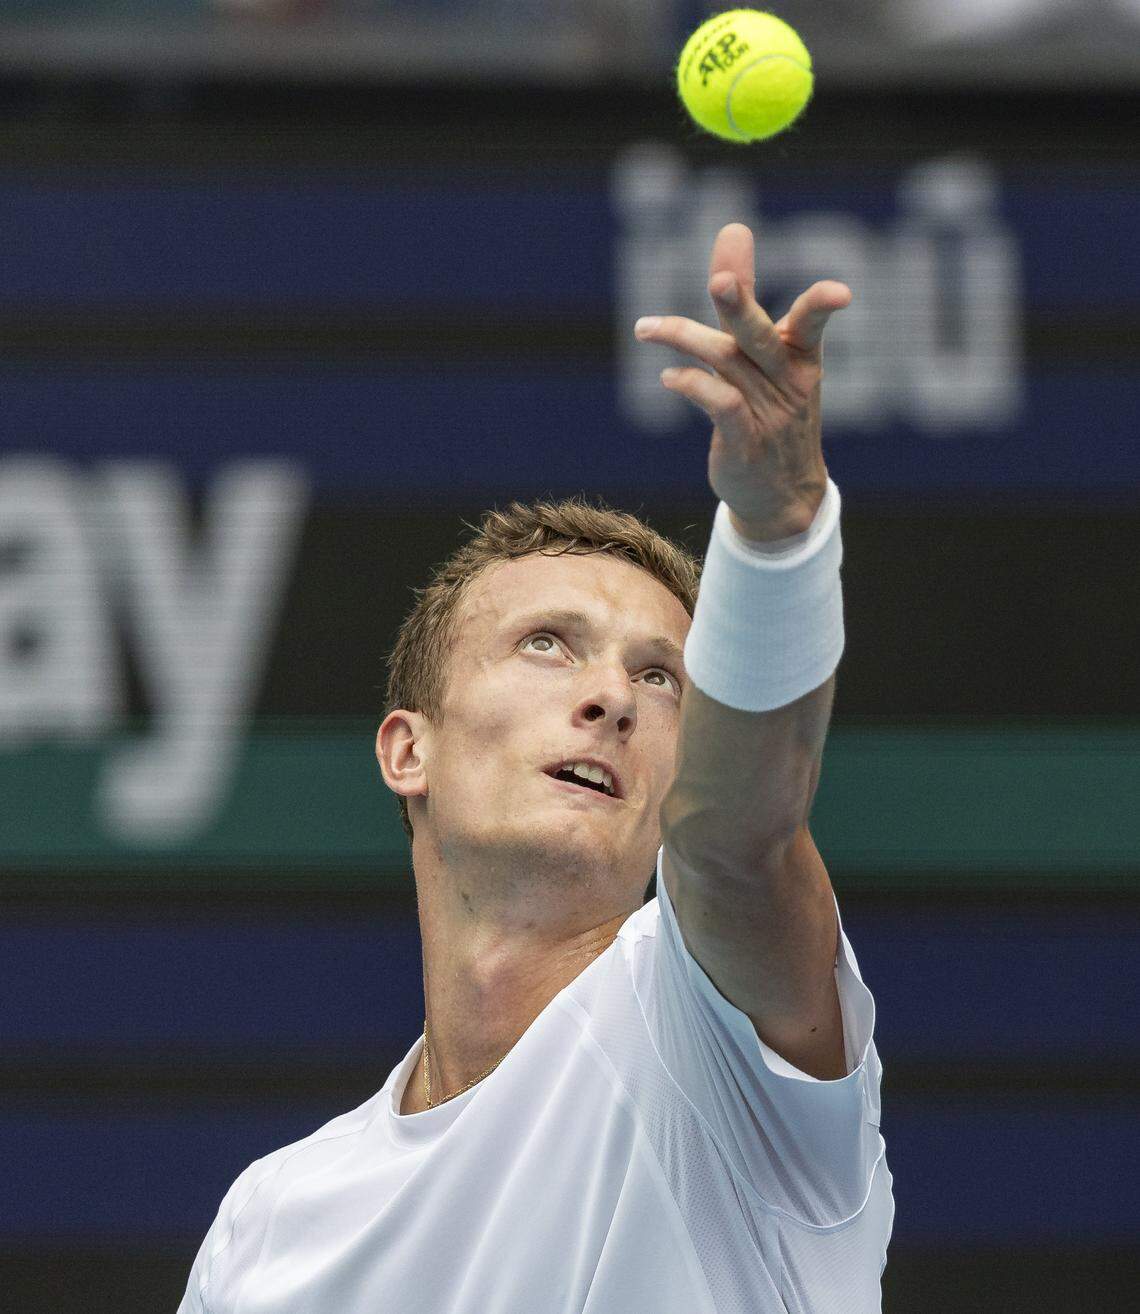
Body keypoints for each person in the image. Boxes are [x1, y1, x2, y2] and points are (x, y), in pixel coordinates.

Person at [177, 222, 894, 1313]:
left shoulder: (709, 1031)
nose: (610, 696)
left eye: (662, 678)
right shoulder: (272, 1223)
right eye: (547, 644)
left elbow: (740, 839)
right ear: (408, 749)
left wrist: (780, 532)